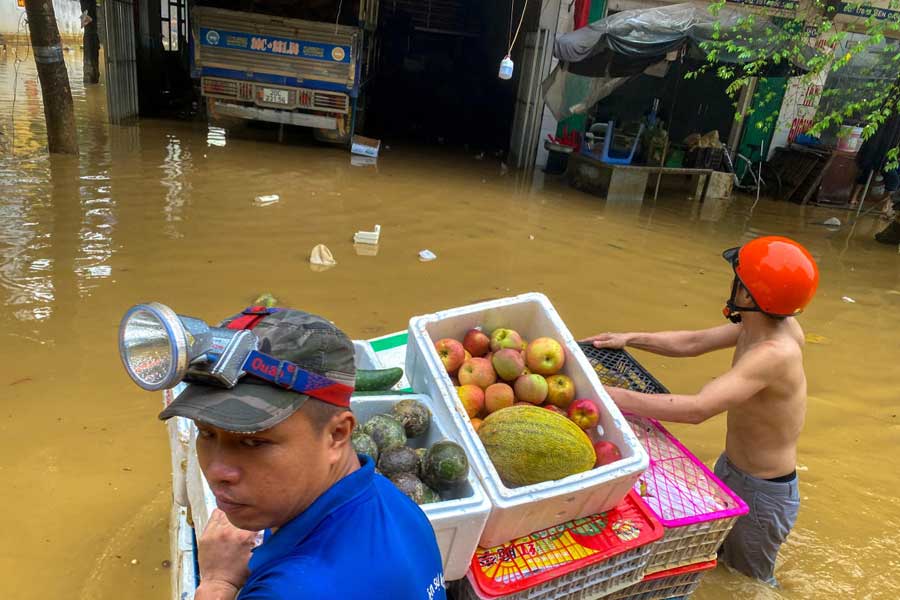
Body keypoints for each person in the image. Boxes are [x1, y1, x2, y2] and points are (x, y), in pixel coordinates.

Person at [159, 308, 446, 600]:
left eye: (254, 443)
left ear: (337, 435)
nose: (218, 472)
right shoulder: (388, 496)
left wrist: (217, 583)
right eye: (206, 433)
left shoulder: (286, 591)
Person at [582, 236, 819, 587]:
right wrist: (630, 338)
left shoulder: (774, 352)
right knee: (715, 563)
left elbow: (697, 409)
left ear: (750, 296)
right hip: (732, 469)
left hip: (764, 490)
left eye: (740, 279)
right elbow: (693, 342)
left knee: (749, 583)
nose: (733, 283)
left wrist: (607, 395)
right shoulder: (759, 325)